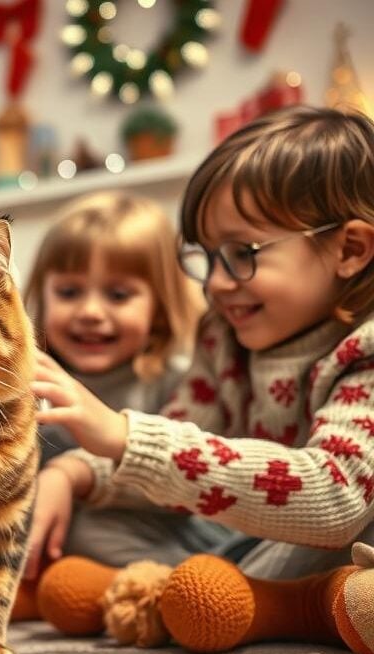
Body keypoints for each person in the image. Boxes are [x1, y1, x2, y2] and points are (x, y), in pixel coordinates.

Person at [29, 105, 374, 590]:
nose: (214, 284)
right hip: (242, 544)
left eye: (241, 254)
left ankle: (214, 594)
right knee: (82, 518)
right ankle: (202, 591)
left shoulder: (365, 350)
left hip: (332, 542)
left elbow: (336, 498)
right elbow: (183, 446)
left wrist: (125, 435)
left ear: (350, 250)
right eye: (207, 258)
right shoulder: (223, 339)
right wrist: (72, 473)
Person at [22, 191, 202, 465]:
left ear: (160, 309)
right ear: (42, 298)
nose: (90, 312)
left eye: (118, 295)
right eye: (69, 292)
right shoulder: (23, 386)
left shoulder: (179, 389)